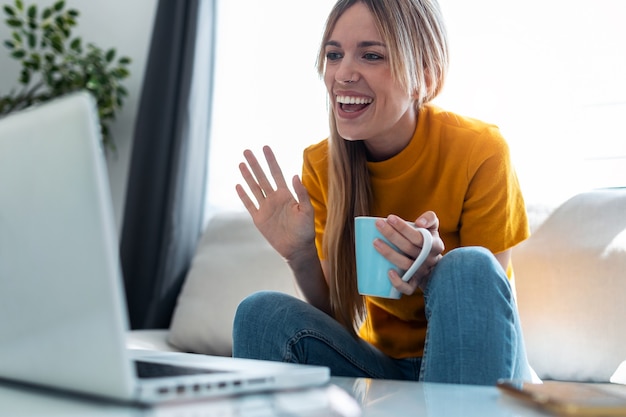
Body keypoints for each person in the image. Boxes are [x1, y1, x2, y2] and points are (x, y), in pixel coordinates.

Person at [233, 0, 533, 386]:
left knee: (466, 265)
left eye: (371, 55)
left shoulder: (479, 149)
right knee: (261, 312)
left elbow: (486, 301)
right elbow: (338, 318)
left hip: (481, 363)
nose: (343, 73)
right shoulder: (322, 165)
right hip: (385, 368)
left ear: (424, 75)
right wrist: (301, 255)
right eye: (334, 55)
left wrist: (430, 273)